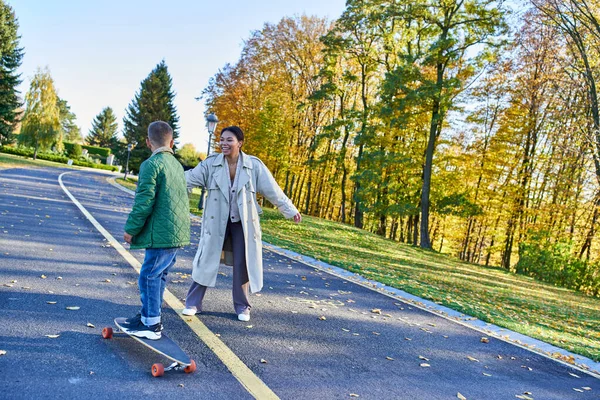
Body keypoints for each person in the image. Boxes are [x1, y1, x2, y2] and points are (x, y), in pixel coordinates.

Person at [182, 126, 301, 322]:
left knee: (243, 262)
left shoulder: (253, 165)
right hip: (215, 221)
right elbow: (188, 178)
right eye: (222, 139)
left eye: (229, 140)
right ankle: (193, 303)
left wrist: (290, 210)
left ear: (240, 143)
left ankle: (242, 306)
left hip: (242, 223)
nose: (224, 143)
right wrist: (165, 177)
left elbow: (273, 190)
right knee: (205, 258)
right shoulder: (211, 164)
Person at [120, 121, 191, 340]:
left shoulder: (151, 165)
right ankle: (148, 317)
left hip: (161, 233)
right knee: (159, 276)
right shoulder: (176, 165)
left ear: (148, 141)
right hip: (176, 232)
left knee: (149, 276)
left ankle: (151, 324)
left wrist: (131, 229)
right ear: (172, 142)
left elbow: (144, 202)